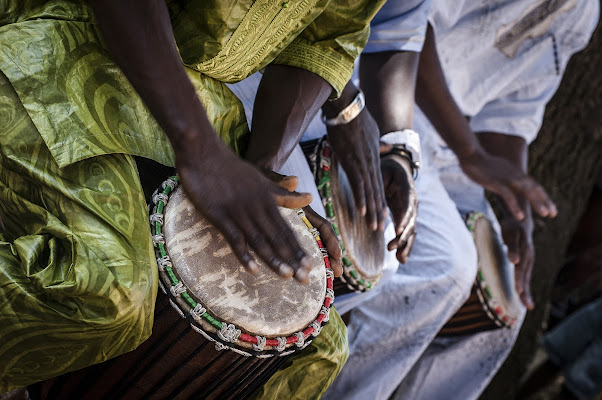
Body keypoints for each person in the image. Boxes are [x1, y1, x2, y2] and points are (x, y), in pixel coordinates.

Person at [0, 0, 387, 392]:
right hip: (64, 44)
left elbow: (324, 40)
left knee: (318, 349)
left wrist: (260, 169)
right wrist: (200, 150)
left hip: (204, 99)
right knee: (106, 294)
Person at [330, 0, 597, 399]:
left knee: (508, 308)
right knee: (446, 264)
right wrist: (470, 152)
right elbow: (409, 31)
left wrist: (513, 200)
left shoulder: (583, 13)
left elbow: (510, 118)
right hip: (389, 100)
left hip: (453, 149)